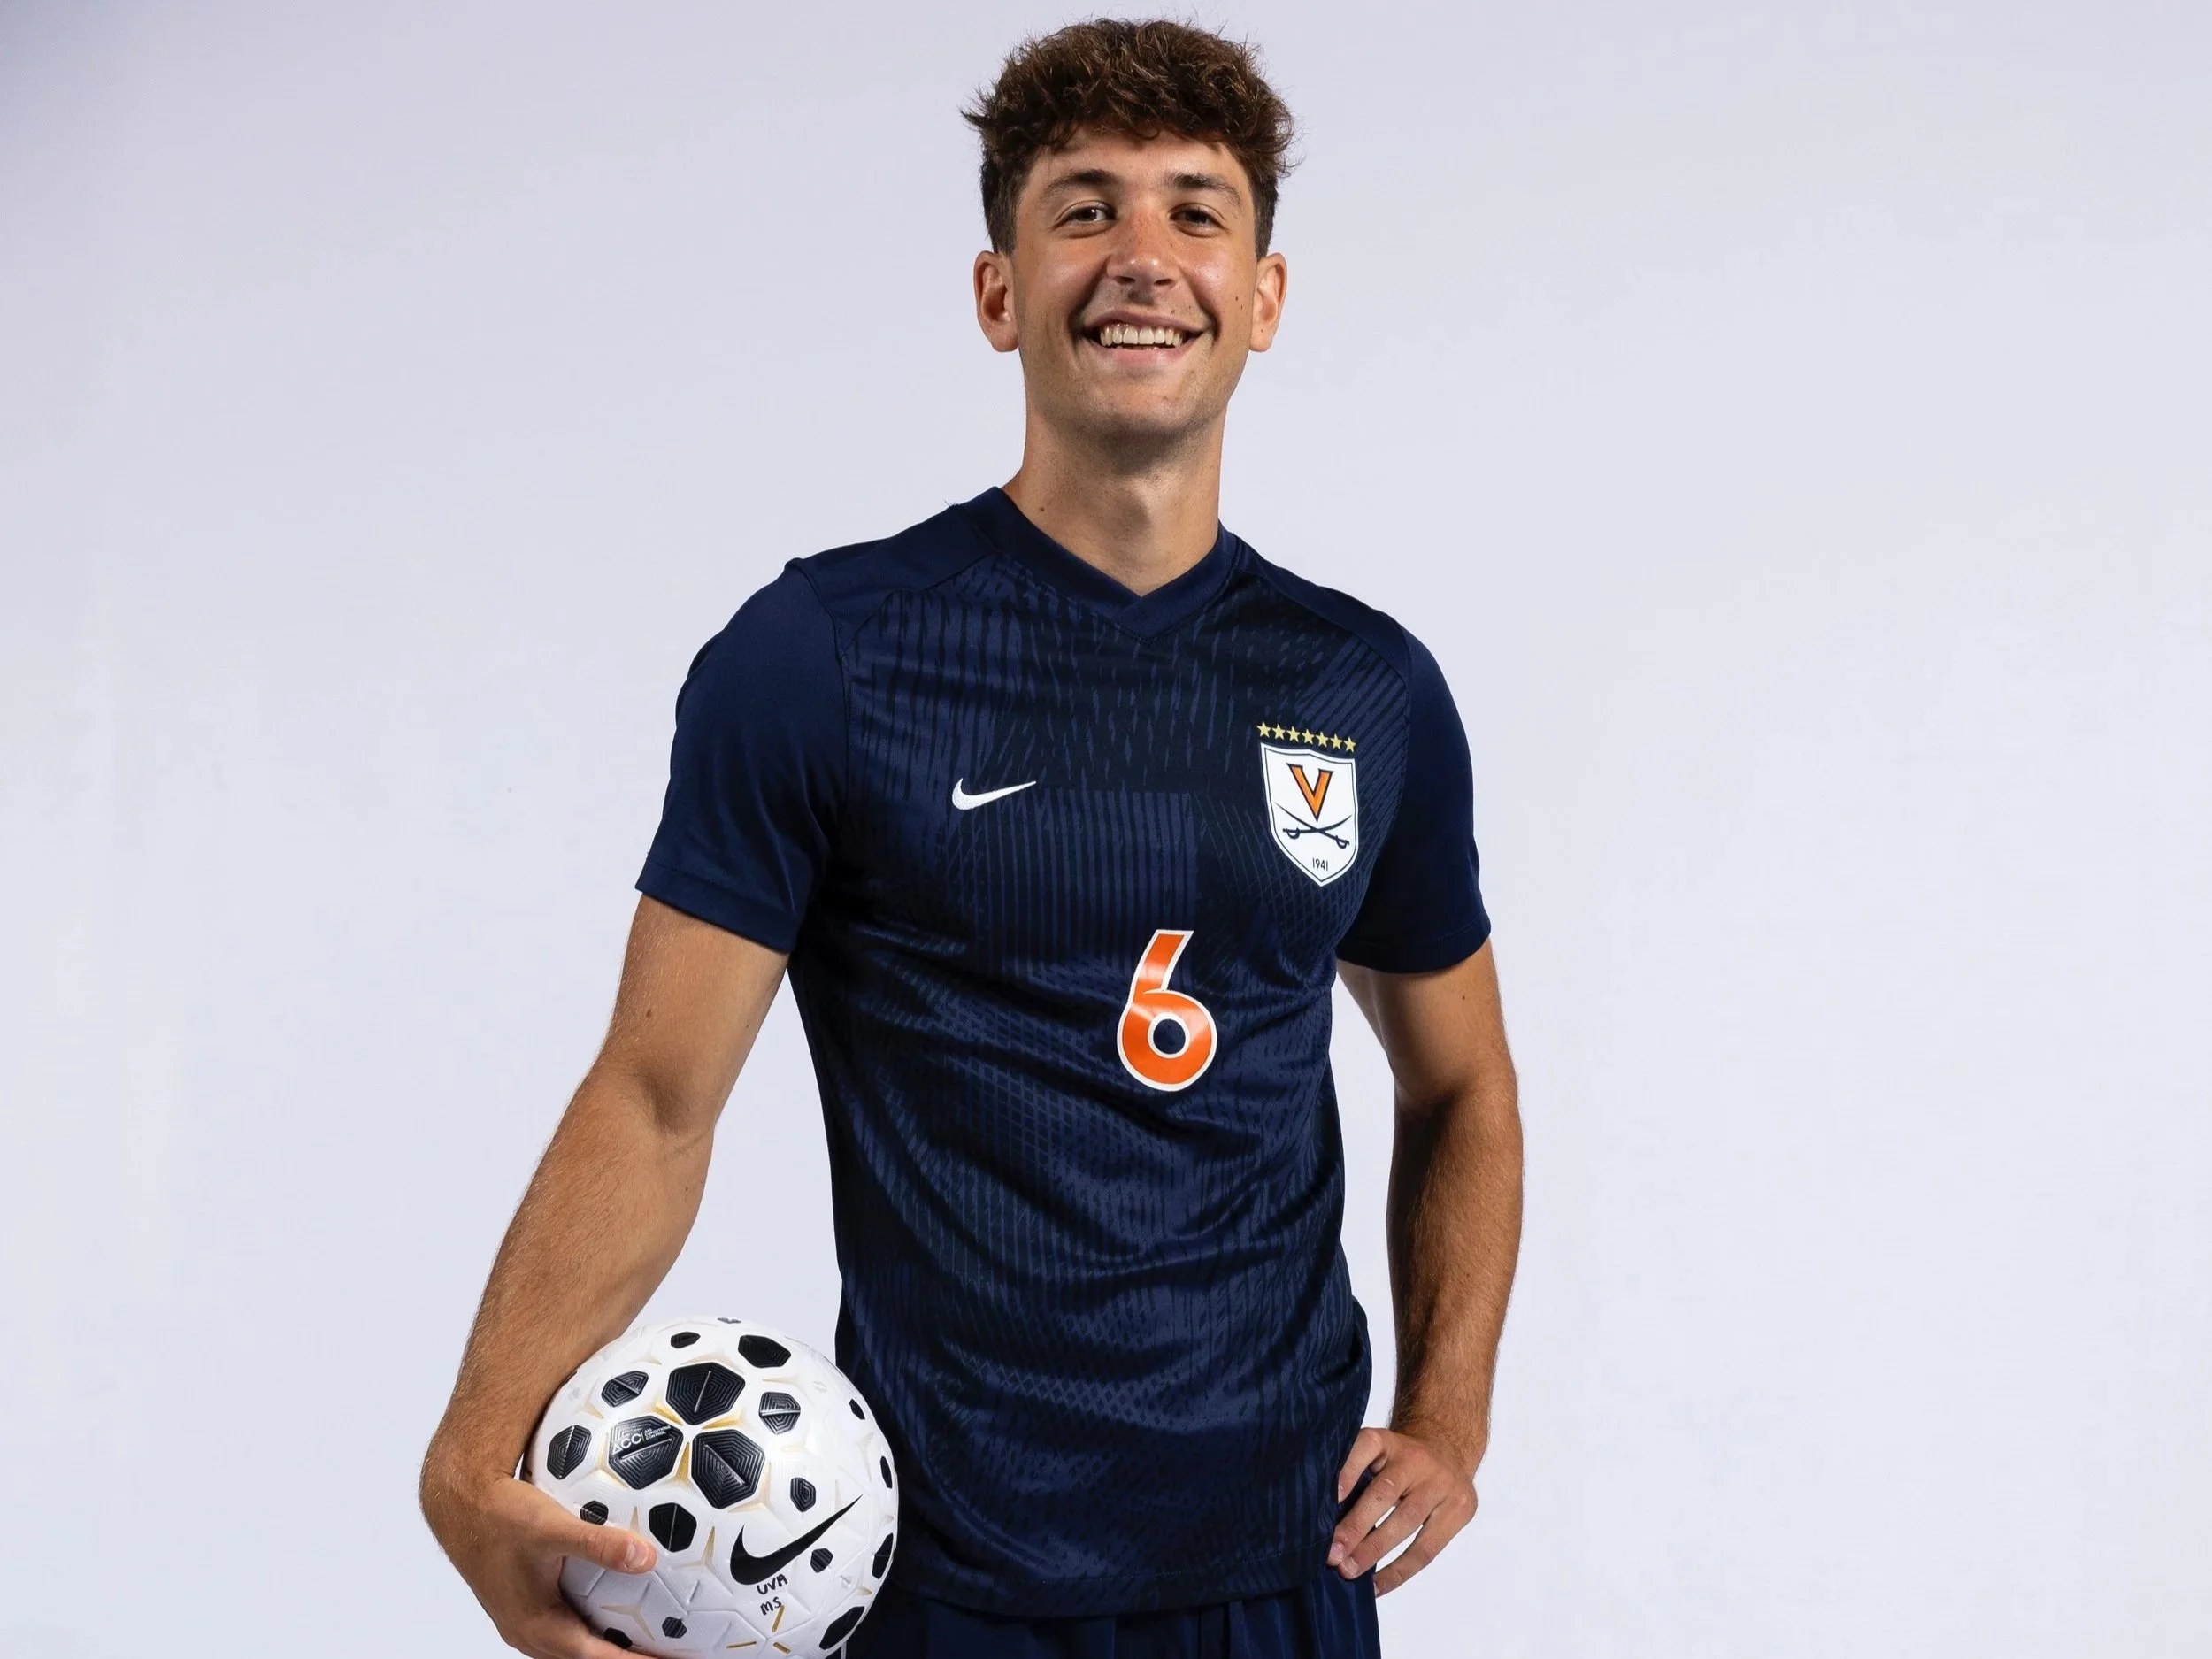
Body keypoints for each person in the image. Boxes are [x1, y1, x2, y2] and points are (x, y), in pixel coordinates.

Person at [420, 19, 1523, 1658]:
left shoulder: (1368, 687)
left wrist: (1449, 1409)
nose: (1142, 258)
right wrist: (471, 1446)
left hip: (1285, 1569)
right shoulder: (825, 655)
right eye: (1083, 210)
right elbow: (654, 1099)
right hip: (941, 1574)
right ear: (999, 291)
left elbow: (1463, 1084)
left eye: (1195, 212)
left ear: (1265, 300)